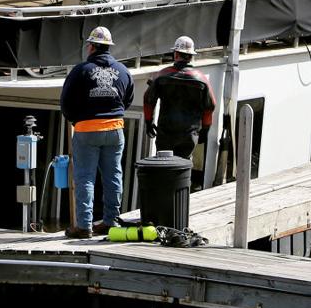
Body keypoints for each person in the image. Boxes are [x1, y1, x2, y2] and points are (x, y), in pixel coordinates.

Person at [59, 26, 133, 239]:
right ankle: (111, 221)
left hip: (87, 130)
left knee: (85, 178)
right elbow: (127, 100)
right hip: (115, 129)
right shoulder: (123, 71)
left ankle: (84, 226)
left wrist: (77, 120)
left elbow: (65, 102)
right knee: (113, 176)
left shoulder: (81, 70)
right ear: (109, 47)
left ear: (91, 46)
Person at [142, 35, 215, 160]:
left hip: (166, 132)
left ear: (175, 54)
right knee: (183, 169)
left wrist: (149, 122)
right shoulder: (201, 79)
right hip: (189, 134)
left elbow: (148, 100)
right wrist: (205, 130)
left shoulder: (161, 75)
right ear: (191, 56)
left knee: (164, 166)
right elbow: (210, 106)